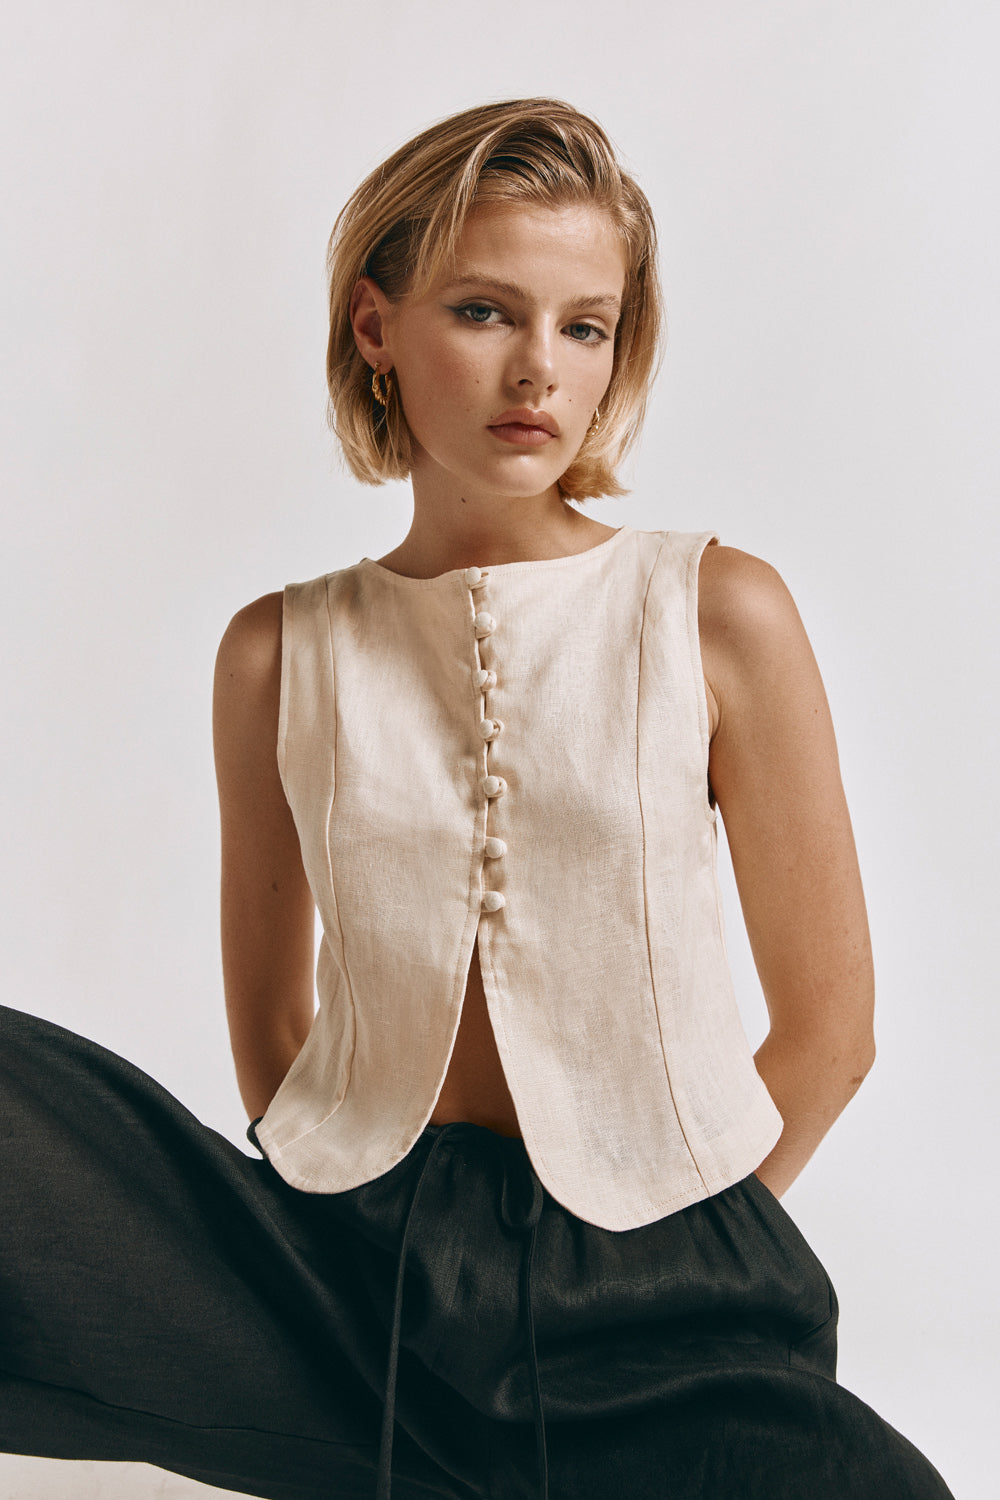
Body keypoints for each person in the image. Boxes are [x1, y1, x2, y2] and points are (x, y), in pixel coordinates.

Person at [0, 99, 953, 1500]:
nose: (540, 371)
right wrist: (354, 1200)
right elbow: (272, 1033)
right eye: (485, 311)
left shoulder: (714, 610)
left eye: (587, 326)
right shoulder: (277, 652)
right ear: (375, 326)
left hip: (663, 1271)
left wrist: (676, 1228)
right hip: (352, 1271)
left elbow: (831, 1034)